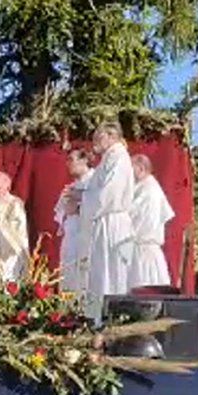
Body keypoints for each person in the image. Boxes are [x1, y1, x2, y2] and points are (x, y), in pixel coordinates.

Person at [82, 122, 135, 322]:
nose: (94, 140)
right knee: (101, 273)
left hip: (113, 222)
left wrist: (84, 198)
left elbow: (108, 194)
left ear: (112, 136)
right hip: (104, 221)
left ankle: (111, 319)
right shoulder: (108, 158)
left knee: (112, 274)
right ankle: (99, 319)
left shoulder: (118, 156)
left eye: (99, 136)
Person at [128, 154, 175, 289]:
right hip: (139, 251)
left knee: (144, 294)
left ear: (141, 169)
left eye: (131, 169)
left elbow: (131, 213)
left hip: (144, 252)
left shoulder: (148, 189)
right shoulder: (142, 187)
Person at [54, 149, 94, 296]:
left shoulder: (95, 181)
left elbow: (103, 204)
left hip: (88, 236)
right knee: (69, 273)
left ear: (84, 160)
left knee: (86, 274)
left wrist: (78, 208)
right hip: (71, 236)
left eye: (71, 159)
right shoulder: (71, 186)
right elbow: (60, 215)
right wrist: (66, 211)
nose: (68, 164)